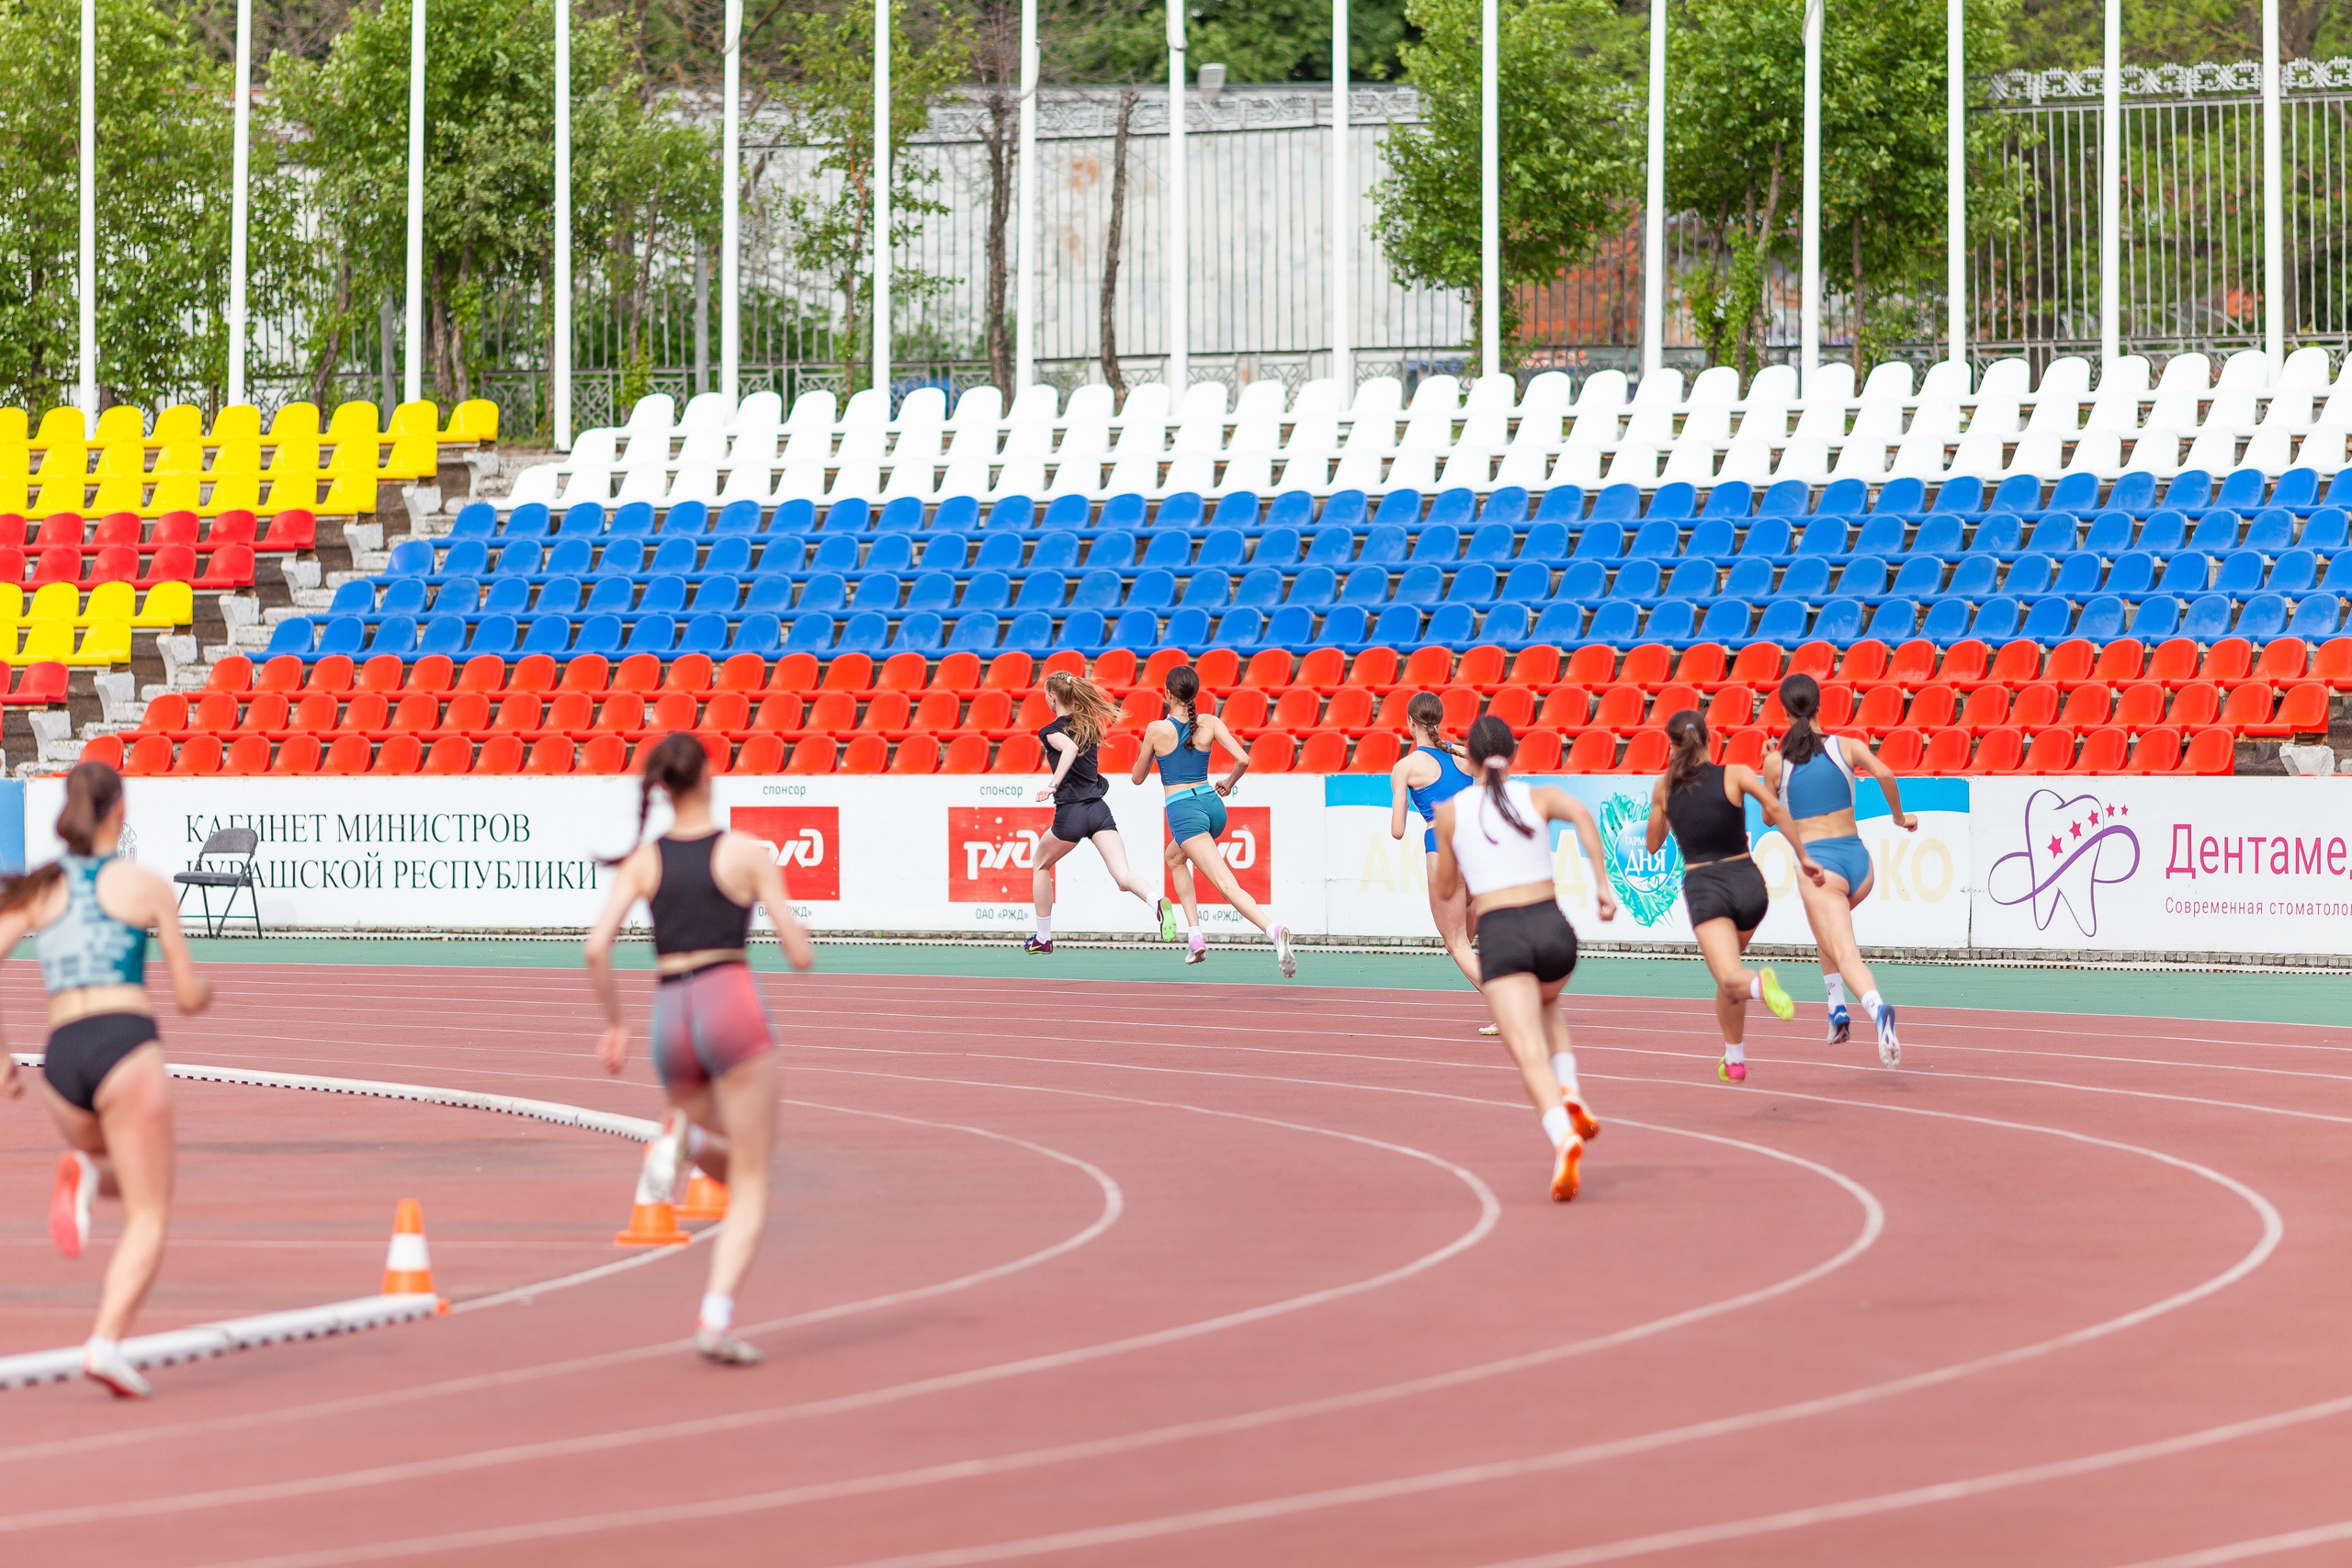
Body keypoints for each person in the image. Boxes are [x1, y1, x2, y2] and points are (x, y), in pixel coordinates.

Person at [586, 733, 817, 1367]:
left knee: (730, 1158)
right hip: (729, 999)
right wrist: (798, 937)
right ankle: (715, 1317)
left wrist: (616, 1024)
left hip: (670, 1010)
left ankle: (683, 1141)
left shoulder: (643, 860)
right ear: (709, 777)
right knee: (753, 1181)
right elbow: (800, 955)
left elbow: (595, 946)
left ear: (662, 787)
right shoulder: (743, 852)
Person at [0, 761, 213, 1398]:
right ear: (119, 813)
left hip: (62, 1062)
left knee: (120, 1168)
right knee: (152, 1209)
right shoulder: (145, 886)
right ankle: (106, 1341)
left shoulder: (41, 889)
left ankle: (88, 1170)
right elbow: (185, 994)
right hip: (125, 1047)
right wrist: (205, 990)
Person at [1430, 716, 1618, 1202]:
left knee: (1528, 1053)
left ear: (1465, 756)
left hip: (1503, 935)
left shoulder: (1450, 811)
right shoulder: (1537, 796)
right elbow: (1582, 814)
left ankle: (1563, 1135)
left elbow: (1447, 886)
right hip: (1554, 929)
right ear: (1512, 754)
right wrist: (1601, 884)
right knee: (1548, 1002)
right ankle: (1572, 1089)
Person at [1645, 710, 1824, 1085]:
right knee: (1729, 976)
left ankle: (1761, 986)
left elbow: (1652, 844)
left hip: (1706, 888)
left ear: (1672, 746)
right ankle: (1734, 1059)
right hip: (1749, 885)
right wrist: (1804, 857)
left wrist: (1665, 806)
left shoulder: (1665, 787)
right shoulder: (1736, 773)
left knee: (1731, 978)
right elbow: (1774, 808)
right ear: (1710, 740)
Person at [1761, 672, 1916, 1066]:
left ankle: (1877, 1008)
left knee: (1844, 951)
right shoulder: (1847, 746)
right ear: (1819, 706)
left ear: (1784, 711)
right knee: (1825, 931)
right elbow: (1884, 773)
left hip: (1820, 867)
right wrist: (1898, 819)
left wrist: (1770, 773)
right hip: (1858, 863)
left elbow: (1767, 818)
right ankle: (1835, 1009)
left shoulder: (1777, 762)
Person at [1129, 664, 1296, 976]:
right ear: (1194, 694)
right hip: (1212, 805)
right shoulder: (1210, 722)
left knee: (1226, 885)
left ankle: (1273, 930)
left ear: (1168, 694)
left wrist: (1152, 753)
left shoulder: (1156, 729)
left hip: (1184, 812)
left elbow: (1137, 778)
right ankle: (1195, 938)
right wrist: (1230, 783)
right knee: (1174, 857)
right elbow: (1244, 759)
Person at [1027, 671, 1175, 953]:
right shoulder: (1089, 726)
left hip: (1071, 814)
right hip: (1098, 810)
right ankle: (1156, 900)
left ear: (1052, 698)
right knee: (1123, 876)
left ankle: (1043, 937)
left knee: (1040, 864)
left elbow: (1068, 749)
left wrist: (1052, 784)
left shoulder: (1050, 731)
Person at [1388, 694, 1496, 1034]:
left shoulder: (1406, 767)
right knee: (1471, 934)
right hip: (1475, 849)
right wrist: (1455, 748)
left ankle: (1511, 1007)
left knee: (1456, 943)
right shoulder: (1463, 760)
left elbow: (1397, 831)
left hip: (1443, 848)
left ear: (1409, 723)